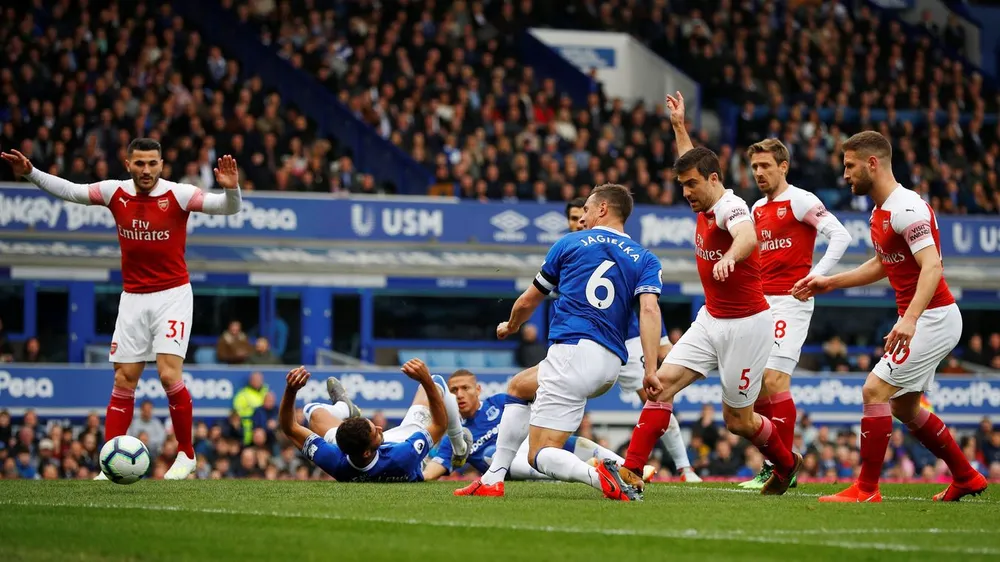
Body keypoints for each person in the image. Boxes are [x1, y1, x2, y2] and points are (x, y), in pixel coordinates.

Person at [2, 140, 243, 480]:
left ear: (162, 164)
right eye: (140, 163)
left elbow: (227, 208)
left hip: (172, 295)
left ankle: (186, 454)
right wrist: (30, 173)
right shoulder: (115, 193)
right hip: (133, 298)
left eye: (153, 164)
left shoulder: (179, 195)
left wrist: (232, 191)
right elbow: (71, 191)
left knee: (168, 373)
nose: (146, 170)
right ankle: (109, 461)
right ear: (128, 162)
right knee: (124, 378)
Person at [621, 92, 802, 495]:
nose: (686, 192)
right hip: (711, 319)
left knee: (737, 421)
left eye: (691, 185)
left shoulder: (730, 207)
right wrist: (678, 126)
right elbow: (693, 162)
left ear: (714, 181)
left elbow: (747, 235)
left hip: (747, 326)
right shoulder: (705, 198)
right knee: (659, 385)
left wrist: (730, 259)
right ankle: (631, 471)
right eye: (682, 185)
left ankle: (787, 464)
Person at [792, 131, 989, 502]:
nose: (845, 174)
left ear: (872, 163)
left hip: (934, 317)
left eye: (850, 166)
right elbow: (883, 264)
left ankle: (866, 489)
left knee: (874, 389)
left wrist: (911, 319)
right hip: (925, 316)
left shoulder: (907, 208)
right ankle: (966, 477)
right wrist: (829, 282)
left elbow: (931, 267)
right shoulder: (880, 211)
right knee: (903, 405)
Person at [455, 183, 663, 501]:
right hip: (610, 364)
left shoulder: (571, 243)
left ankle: (599, 476)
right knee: (519, 386)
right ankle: (493, 477)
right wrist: (650, 368)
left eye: (589, 210)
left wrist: (510, 325)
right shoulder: (646, 258)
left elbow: (529, 300)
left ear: (604, 209)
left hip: (572, 352)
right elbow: (649, 310)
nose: (585, 218)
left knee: (538, 453)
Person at [739, 138, 852, 490]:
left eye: (765, 166)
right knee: (754, 390)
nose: (759, 172)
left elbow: (840, 235)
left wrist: (818, 275)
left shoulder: (801, 200)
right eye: (755, 167)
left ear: (783, 166)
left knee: (774, 380)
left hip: (791, 300)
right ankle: (775, 464)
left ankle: (780, 469)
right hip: (760, 302)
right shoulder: (756, 207)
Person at [421, 369, 645, 481]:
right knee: (491, 453)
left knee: (572, 441)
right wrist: (414, 475)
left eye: (465, 388)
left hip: (534, 446)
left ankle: (634, 470)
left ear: (477, 390)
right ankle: (553, 476)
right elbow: (434, 470)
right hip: (512, 466)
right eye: (453, 391)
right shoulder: (457, 435)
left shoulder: (499, 402)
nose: (459, 394)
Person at [279, 360, 471, 482]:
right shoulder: (403, 455)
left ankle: (345, 409)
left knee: (313, 413)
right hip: (405, 440)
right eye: (376, 431)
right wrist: (425, 381)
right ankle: (460, 448)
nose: (380, 427)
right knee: (436, 381)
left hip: (363, 451)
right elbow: (440, 424)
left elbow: (289, 427)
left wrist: (291, 390)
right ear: (366, 451)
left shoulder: (334, 459)